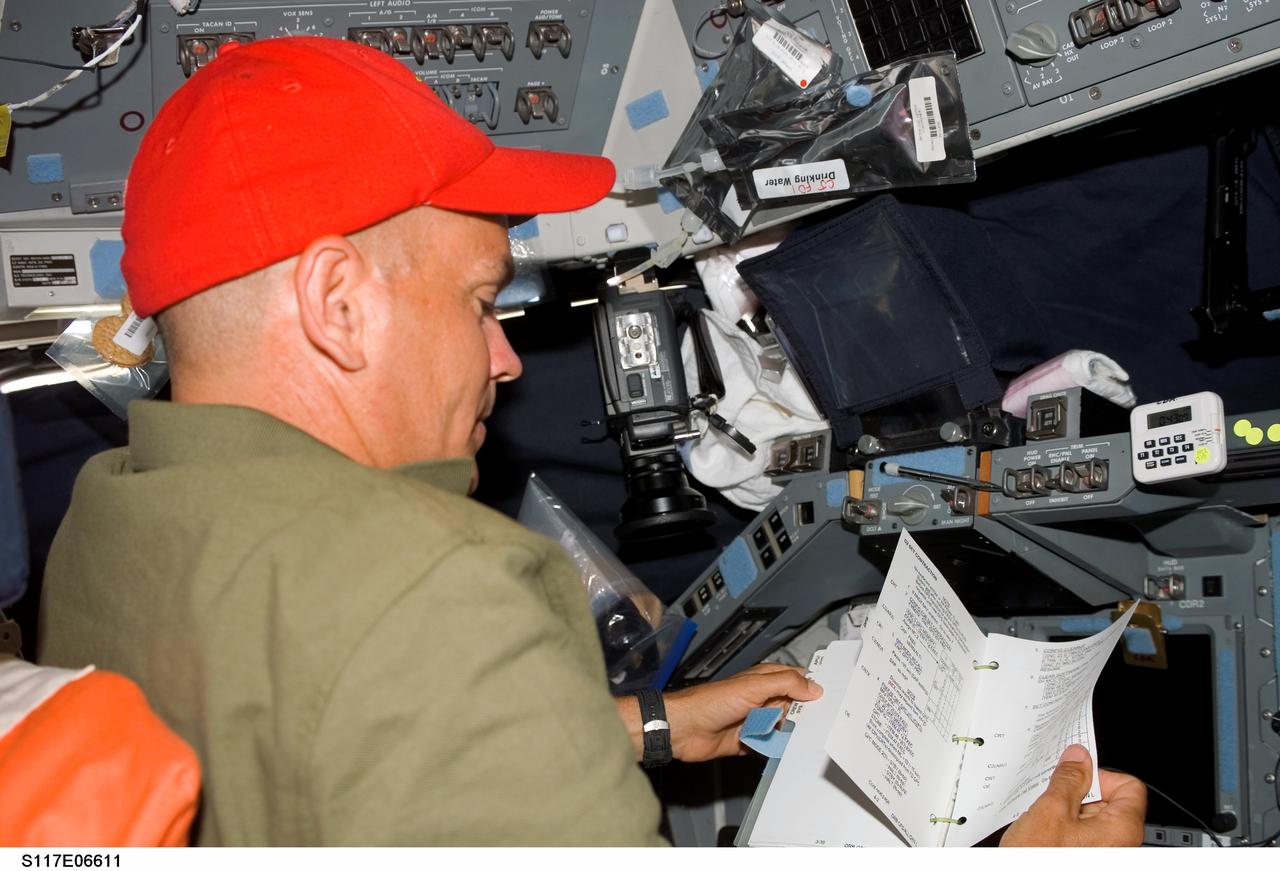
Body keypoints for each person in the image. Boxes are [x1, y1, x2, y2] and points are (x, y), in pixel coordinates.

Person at [37, 37, 1145, 847]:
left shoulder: (109, 515)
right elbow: (377, 660)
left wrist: (626, 726)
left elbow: (296, 751)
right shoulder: (436, 585)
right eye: (481, 303)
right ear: (337, 302)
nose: (506, 358)